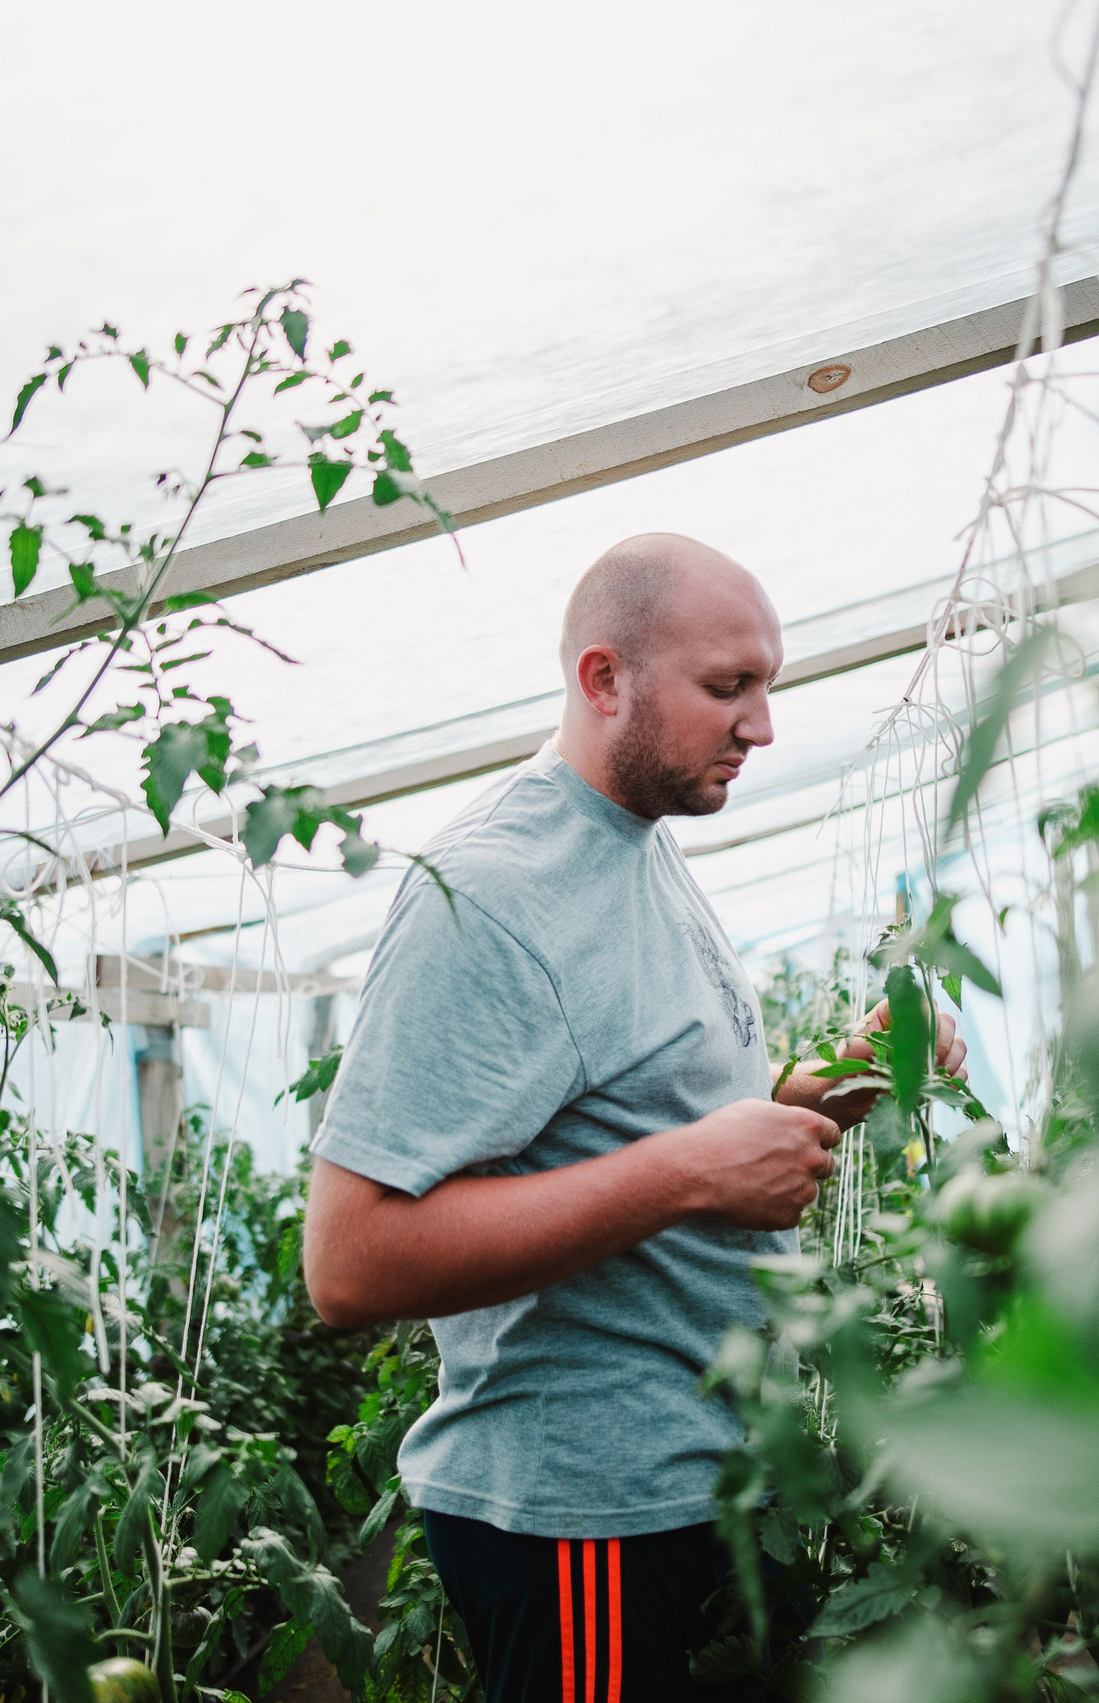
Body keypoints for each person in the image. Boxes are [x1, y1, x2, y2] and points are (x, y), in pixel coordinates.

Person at [301, 533, 968, 1703]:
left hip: (674, 1484)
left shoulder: (637, 844)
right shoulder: (498, 893)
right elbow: (348, 1260)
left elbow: (649, 1118)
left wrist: (831, 1086)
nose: (762, 726)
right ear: (603, 679)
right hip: (582, 1518)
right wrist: (687, 1174)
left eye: (768, 686)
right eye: (727, 687)